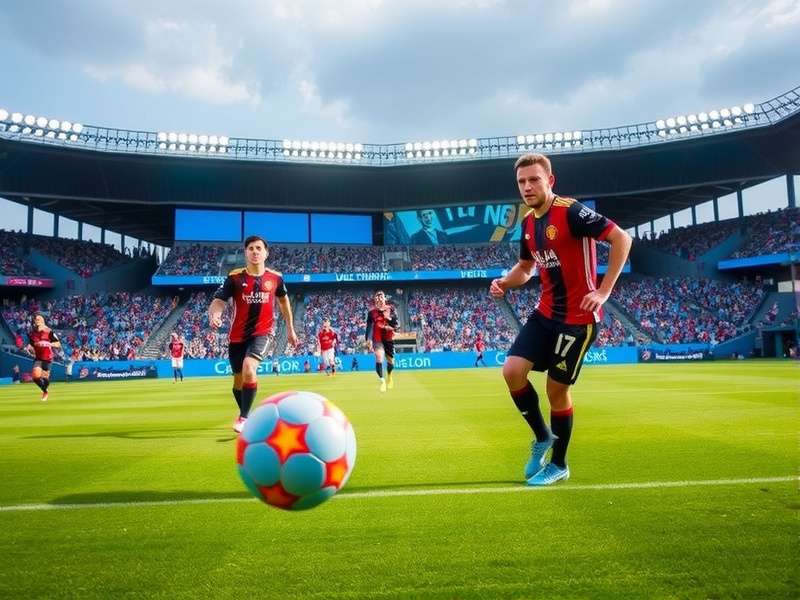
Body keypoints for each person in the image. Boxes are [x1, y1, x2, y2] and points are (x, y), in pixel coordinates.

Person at [490, 153, 632, 486]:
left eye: (534, 179)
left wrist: (604, 290)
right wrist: (504, 283)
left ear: (549, 181)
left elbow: (622, 238)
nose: (527, 187)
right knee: (512, 371)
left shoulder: (571, 211)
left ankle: (559, 464)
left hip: (577, 320)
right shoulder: (527, 224)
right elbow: (526, 269)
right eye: (522, 182)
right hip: (545, 313)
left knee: (556, 391)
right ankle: (542, 436)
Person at [208, 235, 298, 433]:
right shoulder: (234, 277)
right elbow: (219, 300)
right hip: (237, 337)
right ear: (245, 252)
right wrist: (215, 315)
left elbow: (284, 302)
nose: (255, 251)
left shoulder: (275, 278)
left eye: (259, 248)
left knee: (250, 367)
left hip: (263, 333)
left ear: (266, 253)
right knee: (238, 381)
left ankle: (244, 417)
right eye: (251, 248)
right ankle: (247, 415)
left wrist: (290, 329)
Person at [365, 290, 398, 392]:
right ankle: (382, 381)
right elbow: (369, 327)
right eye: (377, 298)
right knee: (379, 357)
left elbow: (397, 325)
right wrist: (368, 339)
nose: (379, 299)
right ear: (375, 300)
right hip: (377, 338)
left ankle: (389, 376)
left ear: (384, 299)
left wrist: (389, 321)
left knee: (390, 362)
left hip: (388, 338)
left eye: (381, 297)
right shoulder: (371, 313)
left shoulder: (391, 309)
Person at [25, 313, 61, 401]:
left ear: (43, 320)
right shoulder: (32, 333)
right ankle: (45, 392)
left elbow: (58, 344)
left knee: (45, 379)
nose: (37, 321)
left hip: (48, 358)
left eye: (39, 319)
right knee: (35, 376)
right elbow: (31, 345)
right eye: (36, 319)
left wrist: (48, 343)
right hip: (38, 358)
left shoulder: (49, 331)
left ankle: (45, 389)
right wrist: (29, 348)